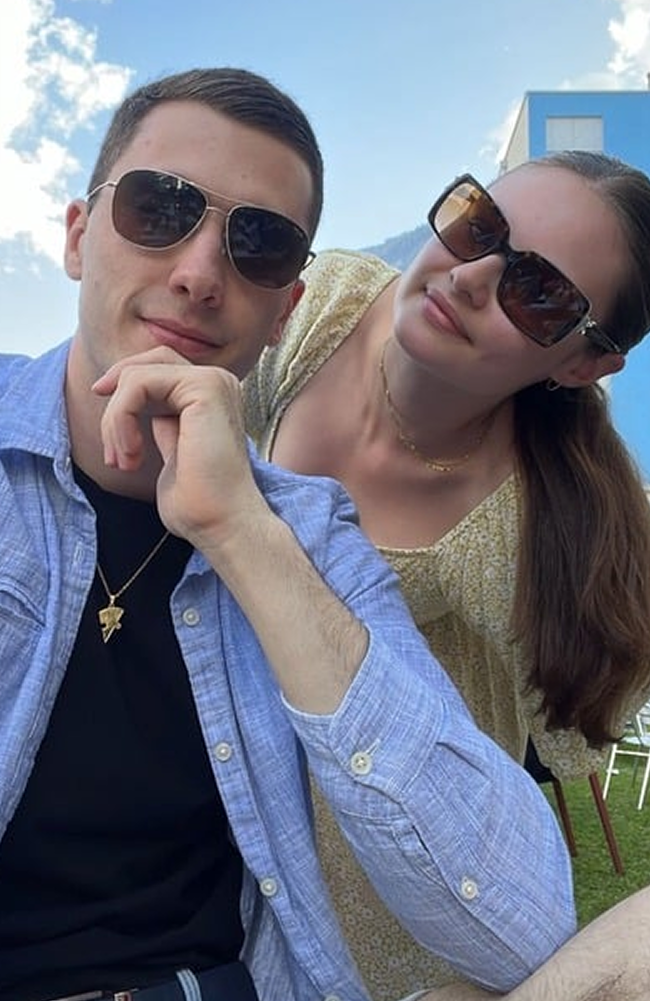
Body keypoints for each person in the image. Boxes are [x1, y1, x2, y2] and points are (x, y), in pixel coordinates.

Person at [0, 67, 581, 1001]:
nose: (197, 271)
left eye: (258, 246)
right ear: (76, 236)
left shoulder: (304, 532)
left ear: (286, 311)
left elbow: (526, 923)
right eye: (157, 208)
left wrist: (239, 533)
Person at [243, 151, 650, 999]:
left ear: (580, 363)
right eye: (479, 226)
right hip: (233, 752)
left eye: (538, 293)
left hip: (368, 847)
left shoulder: (532, 527)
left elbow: (593, 703)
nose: (470, 277)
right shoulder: (328, 304)